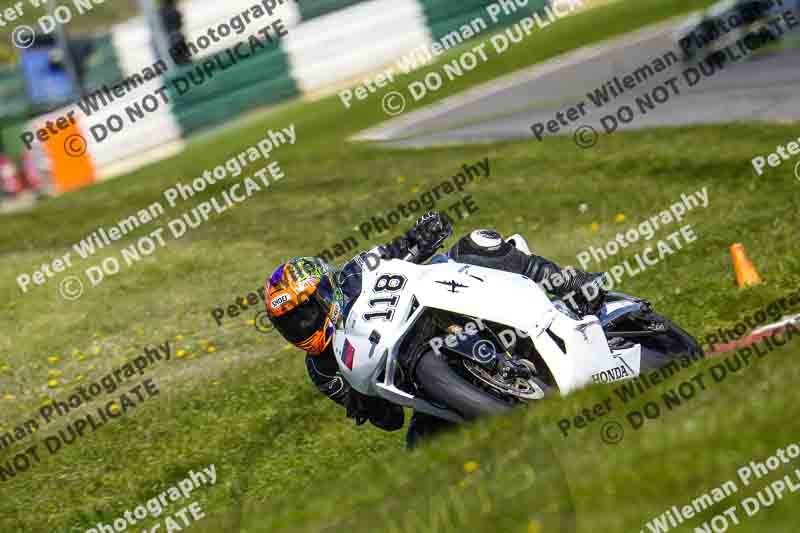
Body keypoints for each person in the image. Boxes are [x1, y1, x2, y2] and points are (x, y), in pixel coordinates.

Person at [264, 212, 605, 447]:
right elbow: (391, 419)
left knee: (475, 244)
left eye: (305, 313)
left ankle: (571, 282)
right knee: (420, 448)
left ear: (325, 291)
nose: (301, 326)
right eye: (290, 324)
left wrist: (423, 232)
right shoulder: (322, 370)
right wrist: (364, 406)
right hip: (429, 392)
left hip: (438, 307)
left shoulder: (354, 272)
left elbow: (400, 248)